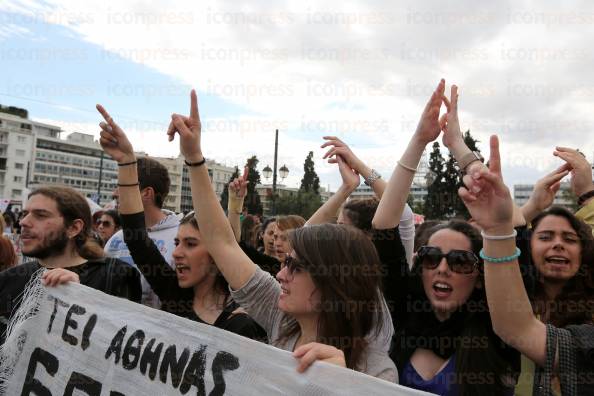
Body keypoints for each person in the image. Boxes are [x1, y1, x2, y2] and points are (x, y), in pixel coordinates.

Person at [163, 89, 397, 380]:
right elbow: (222, 242)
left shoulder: (375, 370)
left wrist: (345, 385)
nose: (281, 275)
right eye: (286, 263)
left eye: (296, 267)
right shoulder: (280, 316)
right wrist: (194, 158)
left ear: (335, 280)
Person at [373, 80, 519, 395]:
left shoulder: (500, 329)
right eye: (430, 257)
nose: (442, 268)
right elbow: (384, 228)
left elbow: (514, 234)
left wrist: (458, 146)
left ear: (480, 276)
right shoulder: (403, 315)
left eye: (459, 261)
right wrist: (418, 140)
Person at [90, 105, 267, 341]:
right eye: (177, 243)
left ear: (217, 254)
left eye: (191, 244)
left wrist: (194, 157)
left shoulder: (241, 325)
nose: (176, 254)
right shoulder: (175, 297)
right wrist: (126, 163)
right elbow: (137, 238)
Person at [458, 134, 594, 394]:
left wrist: (588, 193)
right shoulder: (512, 297)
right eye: (544, 236)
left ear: (585, 252)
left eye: (569, 238)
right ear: (527, 251)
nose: (557, 244)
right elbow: (510, 236)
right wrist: (456, 144)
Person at [0, 186, 141, 344]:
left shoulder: (117, 275)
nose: (24, 222)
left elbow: (123, 351)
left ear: (73, 228)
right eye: (25, 214)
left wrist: (79, 297)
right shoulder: (7, 280)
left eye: (40, 215)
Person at [316, 136, 416, 266]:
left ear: (368, 235)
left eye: (342, 227)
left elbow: (402, 210)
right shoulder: (334, 268)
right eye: (337, 225)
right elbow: (304, 234)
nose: (335, 233)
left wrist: (359, 165)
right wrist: (346, 188)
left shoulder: (392, 265)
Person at [103, 154, 181, 308]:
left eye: (124, 186)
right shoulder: (117, 238)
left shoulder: (181, 239)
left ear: (147, 193)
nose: (115, 193)